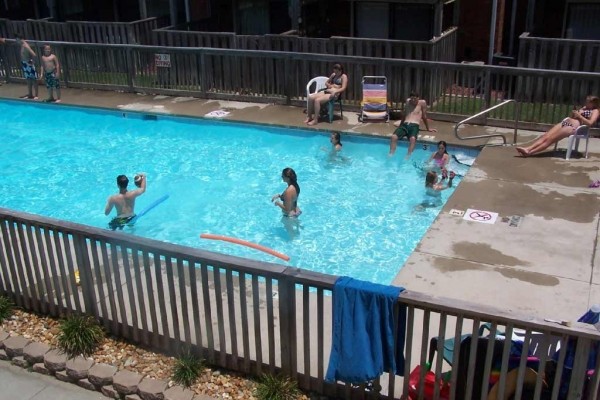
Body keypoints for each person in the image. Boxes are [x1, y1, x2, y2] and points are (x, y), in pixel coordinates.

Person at [516, 96, 600, 157]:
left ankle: (530, 152)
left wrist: (580, 115)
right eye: (586, 101)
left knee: (551, 139)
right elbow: (575, 116)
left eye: (588, 102)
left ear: (593, 103)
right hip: (566, 122)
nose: (586, 103)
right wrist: (575, 114)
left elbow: (590, 123)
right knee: (546, 136)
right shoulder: (584, 108)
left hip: (574, 127)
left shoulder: (595, 111)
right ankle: (528, 148)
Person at [389, 92, 437, 158]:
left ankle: (408, 155)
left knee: (412, 139)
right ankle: (391, 153)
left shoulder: (422, 103)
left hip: (414, 125)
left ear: (418, 98)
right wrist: (400, 125)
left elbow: (424, 116)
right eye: (412, 98)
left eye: (415, 98)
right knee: (394, 137)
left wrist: (428, 128)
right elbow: (404, 114)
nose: (413, 100)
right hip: (405, 124)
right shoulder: (408, 102)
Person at [16, 34, 39, 100]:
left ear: (20, 39)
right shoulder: (22, 45)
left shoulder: (26, 46)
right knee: (28, 80)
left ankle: (36, 95)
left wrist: (32, 62)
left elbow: (34, 54)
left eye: (17, 40)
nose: (16, 41)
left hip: (29, 65)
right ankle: (30, 94)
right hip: (25, 64)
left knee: (34, 80)